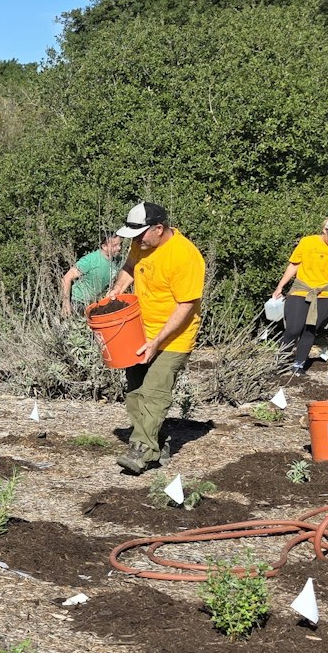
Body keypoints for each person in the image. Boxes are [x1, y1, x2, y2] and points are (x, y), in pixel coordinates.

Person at [102, 201, 204, 475]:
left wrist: (157, 341)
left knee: (154, 393)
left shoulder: (185, 256)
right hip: (139, 331)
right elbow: (129, 267)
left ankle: (140, 450)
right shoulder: (142, 244)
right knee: (135, 392)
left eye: (140, 234)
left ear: (159, 228)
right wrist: (115, 294)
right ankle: (158, 444)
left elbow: (185, 306)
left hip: (174, 337)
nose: (135, 240)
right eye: (133, 235)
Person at [270, 217, 328, 374]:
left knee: (310, 330)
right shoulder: (307, 242)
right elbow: (294, 265)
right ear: (324, 230)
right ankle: (279, 362)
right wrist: (280, 286)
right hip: (301, 289)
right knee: (293, 328)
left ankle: (298, 366)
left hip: (325, 293)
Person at [60, 233, 124, 317]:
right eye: (114, 245)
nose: (119, 248)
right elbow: (66, 278)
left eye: (120, 244)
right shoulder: (90, 260)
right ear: (104, 247)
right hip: (78, 301)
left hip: (94, 302)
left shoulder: (117, 260)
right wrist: (66, 304)